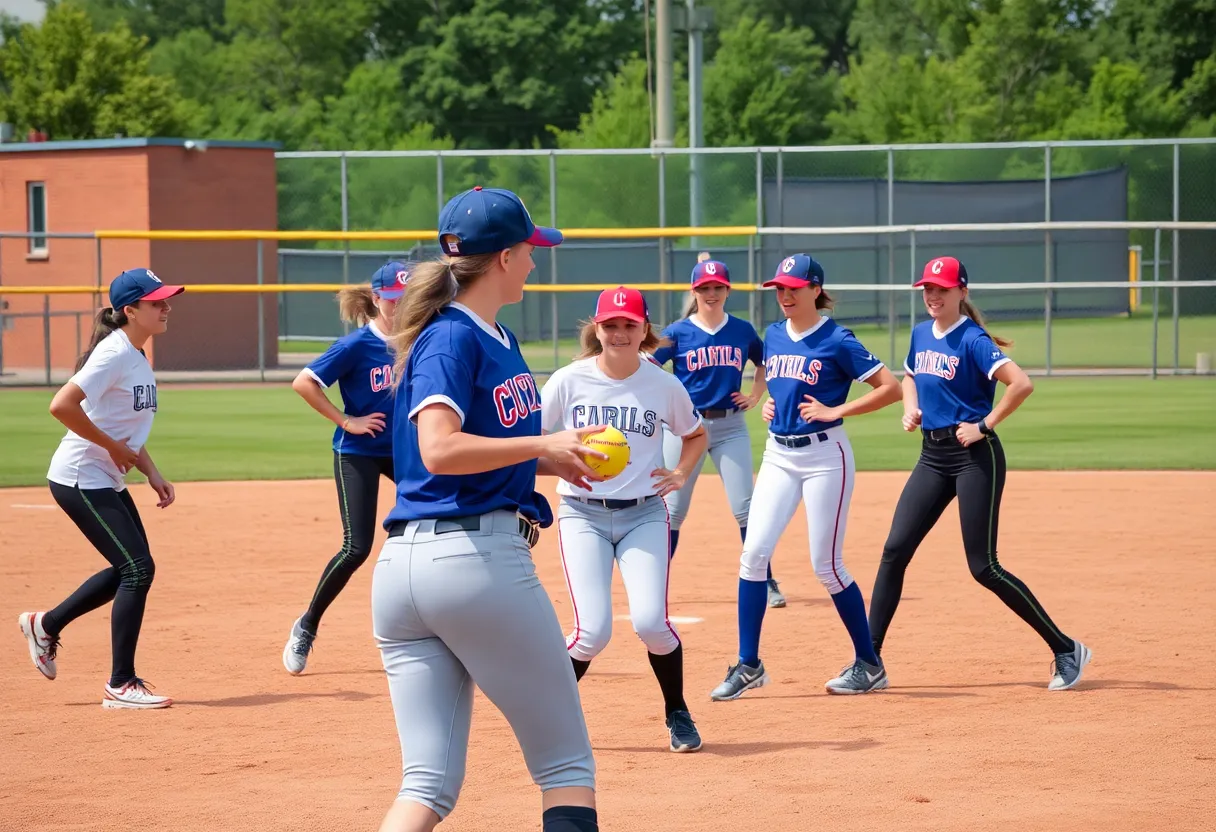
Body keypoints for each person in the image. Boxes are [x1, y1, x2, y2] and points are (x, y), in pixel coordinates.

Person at [370, 186, 608, 832]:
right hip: (474, 564)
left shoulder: (485, 335)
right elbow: (440, 449)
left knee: (427, 784)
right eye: (530, 250)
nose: (536, 261)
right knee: (565, 768)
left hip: (406, 573)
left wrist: (545, 462)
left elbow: (467, 452)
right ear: (503, 257)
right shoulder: (453, 339)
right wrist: (541, 442)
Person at [867, 256, 1091, 690]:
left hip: (975, 457)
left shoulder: (972, 339)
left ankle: (1066, 649)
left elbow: (1021, 383)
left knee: (982, 566)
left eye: (942, 289)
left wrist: (985, 424)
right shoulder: (920, 333)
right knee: (894, 550)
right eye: (928, 289)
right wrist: (911, 406)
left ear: (961, 293)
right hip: (932, 457)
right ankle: (869, 660)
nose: (933, 296)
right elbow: (910, 374)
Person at [709, 254, 902, 702]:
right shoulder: (775, 334)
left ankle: (869, 664)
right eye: (780, 288)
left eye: (794, 287)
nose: (785, 295)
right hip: (778, 453)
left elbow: (889, 388)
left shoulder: (837, 339)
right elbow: (779, 382)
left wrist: (837, 409)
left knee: (826, 565)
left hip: (825, 457)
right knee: (753, 556)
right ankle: (749, 664)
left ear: (816, 289)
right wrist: (773, 402)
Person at [543, 286, 709, 754]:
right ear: (596, 329)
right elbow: (530, 438)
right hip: (581, 514)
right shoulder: (568, 380)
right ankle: (549, 718)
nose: (618, 332)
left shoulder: (662, 384)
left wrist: (679, 472)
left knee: (652, 623)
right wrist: (552, 464)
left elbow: (696, 434)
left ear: (644, 331)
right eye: (610, 324)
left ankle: (677, 710)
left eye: (628, 324)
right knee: (592, 630)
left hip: (644, 515)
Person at [18, 268, 184, 710]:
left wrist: (150, 469)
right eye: (157, 302)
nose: (166, 306)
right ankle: (121, 684)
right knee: (137, 569)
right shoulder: (113, 354)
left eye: (166, 299)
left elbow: (123, 424)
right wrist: (113, 449)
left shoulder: (135, 353)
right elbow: (62, 406)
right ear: (131, 310)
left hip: (102, 477)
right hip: (79, 477)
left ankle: (46, 624)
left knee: (131, 567)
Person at [282, 261, 410, 675]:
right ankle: (307, 624)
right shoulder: (356, 345)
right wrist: (346, 420)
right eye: (393, 299)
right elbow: (304, 383)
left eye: (408, 298)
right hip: (356, 451)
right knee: (357, 547)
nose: (401, 305)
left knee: (435, 518)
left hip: (405, 451)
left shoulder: (419, 339)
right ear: (376, 300)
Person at [651, 253, 786, 608]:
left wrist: (756, 394)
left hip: (730, 426)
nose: (711, 293)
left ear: (727, 291)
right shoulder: (677, 333)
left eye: (718, 287)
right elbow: (647, 366)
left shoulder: (741, 330)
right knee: (673, 509)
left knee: (745, 507)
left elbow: (764, 363)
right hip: (684, 429)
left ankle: (766, 580)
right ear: (694, 292)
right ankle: (654, 585)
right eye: (704, 287)